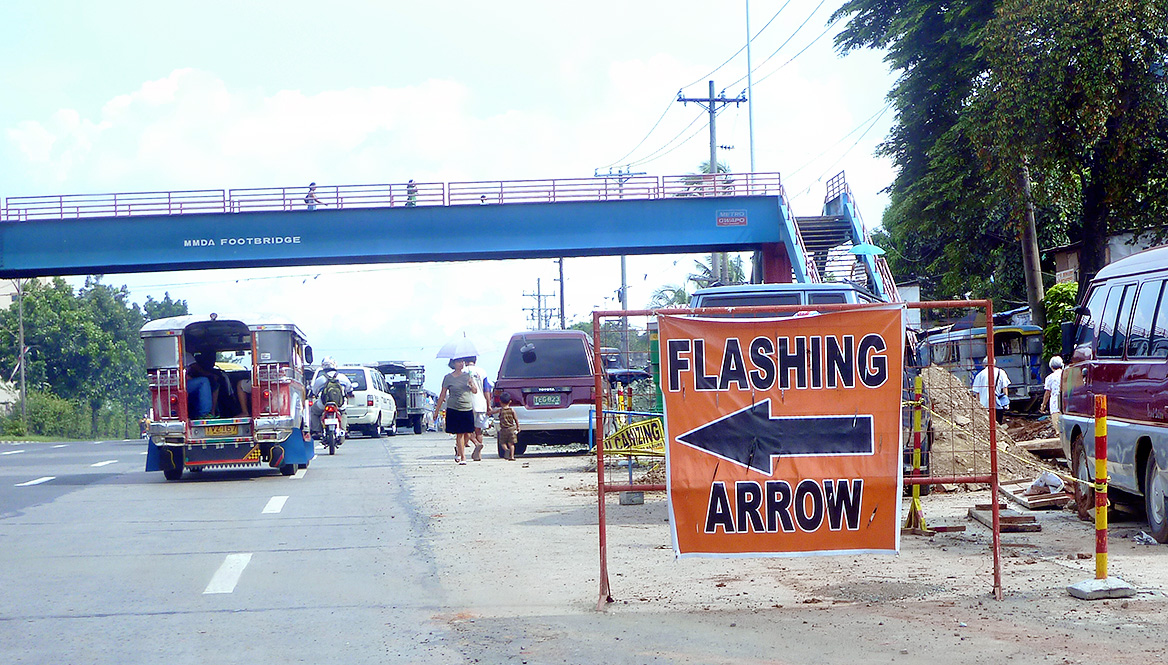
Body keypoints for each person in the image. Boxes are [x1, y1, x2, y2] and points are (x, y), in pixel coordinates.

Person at [434, 357, 477, 464]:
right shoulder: (448, 378)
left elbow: (475, 391)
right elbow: (442, 394)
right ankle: (463, 457)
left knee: (468, 433)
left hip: (467, 407)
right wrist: (437, 410)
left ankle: (458, 450)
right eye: (458, 362)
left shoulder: (468, 376)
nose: (461, 364)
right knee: (459, 433)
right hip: (454, 408)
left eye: (462, 362)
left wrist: (471, 384)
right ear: (453, 363)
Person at [310, 357, 353, 437]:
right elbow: (349, 389)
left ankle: (317, 431)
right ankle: (343, 430)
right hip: (339, 404)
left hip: (323, 404)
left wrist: (312, 395)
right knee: (343, 413)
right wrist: (350, 394)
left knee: (313, 411)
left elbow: (314, 391)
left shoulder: (320, 379)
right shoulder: (343, 377)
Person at [464, 357, 491, 462]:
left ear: (465, 361)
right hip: (481, 403)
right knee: (478, 430)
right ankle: (478, 455)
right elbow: (486, 389)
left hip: (468, 403)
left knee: (466, 429)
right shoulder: (482, 371)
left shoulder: (463, 372)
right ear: (475, 361)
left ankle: (476, 444)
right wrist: (488, 405)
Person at [186, 352, 228, 418]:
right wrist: (211, 375)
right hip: (181, 383)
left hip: (182, 383)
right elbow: (197, 368)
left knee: (214, 385)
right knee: (204, 381)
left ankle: (213, 412)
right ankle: (205, 414)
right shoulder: (186, 355)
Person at [971, 357, 1010, 425]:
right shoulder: (1001, 372)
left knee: (987, 425)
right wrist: (1006, 402)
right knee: (998, 424)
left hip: (984, 405)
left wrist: (978, 406)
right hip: (997, 404)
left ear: (984, 364)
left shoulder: (980, 375)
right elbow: (1005, 389)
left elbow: (977, 393)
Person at [1042, 356, 1064, 435]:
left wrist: (1044, 405)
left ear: (1051, 366)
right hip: (1068, 404)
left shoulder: (1050, 378)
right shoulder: (1067, 374)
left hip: (1055, 405)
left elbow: (1047, 393)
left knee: (1059, 431)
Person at [495, 393, 520, 461]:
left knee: (502, 442)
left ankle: (506, 450)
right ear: (510, 401)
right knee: (511, 444)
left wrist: (488, 413)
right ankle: (512, 456)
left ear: (500, 402)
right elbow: (516, 419)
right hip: (511, 429)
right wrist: (518, 426)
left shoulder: (500, 410)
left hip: (503, 429)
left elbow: (493, 412)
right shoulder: (512, 410)